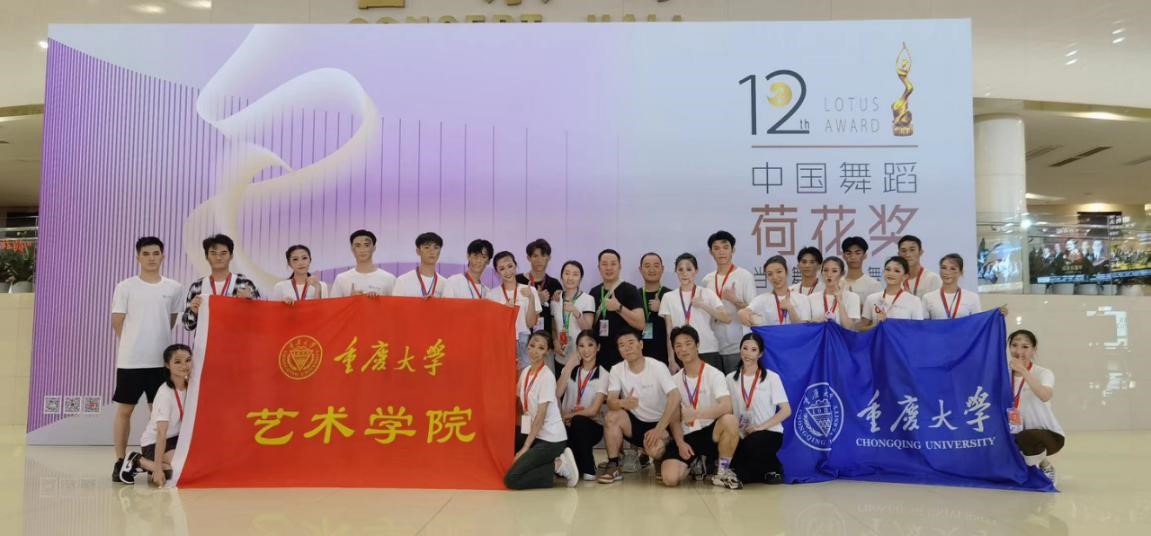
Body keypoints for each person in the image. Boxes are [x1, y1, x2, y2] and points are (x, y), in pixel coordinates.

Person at [110, 237, 184, 484]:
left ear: (163, 256)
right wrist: (134, 344)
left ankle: (155, 461)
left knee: (158, 413)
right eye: (146, 254)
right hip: (131, 361)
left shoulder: (174, 287)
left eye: (156, 253)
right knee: (125, 410)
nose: (151, 258)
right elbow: (118, 322)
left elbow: (170, 320)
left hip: (160, 362)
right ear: (138, 257)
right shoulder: (125, 287)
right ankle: (120, 460)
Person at [656, 326, 743, 489]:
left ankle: (722, 471)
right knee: (670, 479)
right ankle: (695, 462)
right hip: (687, 436)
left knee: (730, 420)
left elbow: (727, 406)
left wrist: (696, 413)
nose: (683, 349)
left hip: (711, 432)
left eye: (688, 343)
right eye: (678, 345)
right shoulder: (673, 380)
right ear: (674, 350)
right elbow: (674, 419)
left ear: (697, 345)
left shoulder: (714, 374)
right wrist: (680, 443)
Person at [598, 331, 680, 484]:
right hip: (635, 423)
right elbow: (610, 401)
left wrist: (659, 429)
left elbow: (675, 396)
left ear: (641, 344)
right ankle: (614, 465)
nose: (627, 348)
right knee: (611, 416)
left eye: (631, 342)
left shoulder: (657, 366)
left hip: (659, 423)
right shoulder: (616, 369)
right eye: (622, 345)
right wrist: (623, 403)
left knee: (655, 449)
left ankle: (659, 458)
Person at [506, 331, 579, 489]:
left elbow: (540, 415)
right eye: (532, 345)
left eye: (541, 348)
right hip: (535, 434)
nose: (535, 351)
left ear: (547, 352)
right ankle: (545, 463)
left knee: (512, 478)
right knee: (508, 445)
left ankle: (559, 465)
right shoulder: (525, 372)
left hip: (551, 439)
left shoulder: (546, 377)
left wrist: (525, 448)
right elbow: (517, 401)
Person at [728, 333, 790, 485]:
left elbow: (786, 410)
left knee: (751, 444)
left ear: (760, 354)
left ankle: (773, 467)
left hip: (769, 432)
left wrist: (759, 427)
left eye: (753, 350)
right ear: (740, 350)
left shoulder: (771, 377)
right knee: (743, 475)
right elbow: (728, 409)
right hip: (742, 433)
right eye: (745, 348)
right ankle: (765, 471)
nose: (748, 353)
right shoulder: (730, 378)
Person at [1008, 329, 1064, 484]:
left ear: (1033, 350)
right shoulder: (1003, 374)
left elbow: (1045, 395)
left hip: (1046, 435)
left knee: (1027, 437)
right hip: (1013, 431)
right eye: (1014, 345)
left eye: (1025, 347)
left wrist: (1023, 371)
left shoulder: (1043, 373)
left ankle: (1044, 465)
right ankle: (1021, 467)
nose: (1019, 351)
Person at [131, 343, 191, 487]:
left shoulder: (191, 386)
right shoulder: (165, 394)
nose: (184, 365)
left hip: (177, 439)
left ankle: (158, 465)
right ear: (167, 365)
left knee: (195, 464)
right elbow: (161, 433)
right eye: (178, 362)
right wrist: (157, 469)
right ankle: (138, 460)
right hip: (154, 443)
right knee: (179, 470)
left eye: (188, 360)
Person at [658, 253, 729, 374]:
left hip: (707, 349)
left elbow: (726, 318)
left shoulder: (706, 293)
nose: (684, 273)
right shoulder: (668, 297)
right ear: (676, 271)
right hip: (682, 351)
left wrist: (703, 305)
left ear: (696, 271)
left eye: (689, 269)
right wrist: (671, 359)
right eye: (680, 269)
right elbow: (669, 332)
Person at [701, 231, 757, 375]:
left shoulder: (744, 276)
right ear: (711, 252)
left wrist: (734, 300)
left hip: (737, 345)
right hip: (712, 345)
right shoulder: (707, 280)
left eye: (725, 247)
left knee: (737, 385)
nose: (721, 252)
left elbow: (753, 313)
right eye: (716, 248)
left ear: (733, 250)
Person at [556, 330, 609, 481]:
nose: (586, 350)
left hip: (591, 425)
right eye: (581, 346)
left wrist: (570, 416)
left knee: (579, 421)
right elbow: (557, 394)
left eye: (590, 345)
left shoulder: (603, 374)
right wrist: (568, 367)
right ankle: (574, 464)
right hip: (567, 425)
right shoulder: (571, 369)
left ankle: (589, 467)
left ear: (598, 347)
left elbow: (594, 410)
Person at [181, 234, 260, 331]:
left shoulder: (244, 284)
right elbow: (187, 326)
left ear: (231, 256)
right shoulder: (197, 286)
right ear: (206, 256)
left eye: (223, 253)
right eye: (213, 253)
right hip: (206, 340)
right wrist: (193, 312)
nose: (218, 257)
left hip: (236, 339)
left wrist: (250, 302)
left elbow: (260, 317)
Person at [589, 250, 646, 372]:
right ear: (599, 268)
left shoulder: (630, 289)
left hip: (624, 354)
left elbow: (641, 323)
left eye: (613, 264)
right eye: (604, 264)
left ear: (620, 266)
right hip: (599, 354)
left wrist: (619, 307)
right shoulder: (594, 292)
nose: (609, 268)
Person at [487, 251, 542, 371]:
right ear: (496, 272)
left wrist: (531, 298)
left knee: (524, 378)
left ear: (516, 266)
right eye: (502, 268)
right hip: (502, 343)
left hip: (524, 342)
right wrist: (503, 312)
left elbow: (531, 323)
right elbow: (491, 327)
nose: (507, 271)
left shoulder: (530, 290)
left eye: (510, 266)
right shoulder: (491, 295)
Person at [739, 256, 812, 327]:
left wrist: (790, 308)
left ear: (786, 272)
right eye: (770, 274)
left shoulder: (802, 299)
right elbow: (746, 311)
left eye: (779, 272)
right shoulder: (761, 299)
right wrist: (741, 312)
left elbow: (804, 328)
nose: (775, 277)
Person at [859, 256, 925, 330]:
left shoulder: (914, 301)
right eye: (888, 269)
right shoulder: (871, 298)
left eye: (896, 271)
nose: (891, 273)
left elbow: (918, 330)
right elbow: (861, 329)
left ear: (905, 276)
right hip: (878, 338)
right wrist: (875, 326)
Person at [552, 261, 595, 369]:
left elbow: (587, 329)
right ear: (561, 276)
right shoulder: (555, 300)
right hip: (560, 355)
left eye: (575, 274)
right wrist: (555, 342)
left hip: (580, 356)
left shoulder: (588, 299)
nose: (570, 278)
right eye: (567, 273)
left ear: (580, 278)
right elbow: (554, 327)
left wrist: (575, 311)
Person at [330, 229, 396, 297]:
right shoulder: (341, 279)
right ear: (352, 249)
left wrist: (379, 300)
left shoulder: (388, 279)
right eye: (358, 246)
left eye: (366, 245)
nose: (362, 250)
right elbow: (333, 303)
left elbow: (396, 303)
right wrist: (350, 299)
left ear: (374, 248)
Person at [517, 239, 564, 334]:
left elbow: (557, 316)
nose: (539, 260)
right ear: (528, 258)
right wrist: (537, 300)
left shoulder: (555, 284)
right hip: (523, 335)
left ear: (549, 258)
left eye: (543, 255)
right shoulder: (517, 281)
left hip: (547, 337)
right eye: (535, 256)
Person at [923, 254, 983, 320]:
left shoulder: (972, 298)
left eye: (952, 269)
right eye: (944, 268)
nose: (947, 272)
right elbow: (924, 325)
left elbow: (978, 323)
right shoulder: (928, 298)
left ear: (961, 272)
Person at [638, 252, 673, 365]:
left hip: (666, 354)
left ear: (662, 269)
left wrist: (661, 309)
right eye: (647, 266)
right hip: (640, 355)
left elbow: (679, 323)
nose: (652, 269)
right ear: (640, 269)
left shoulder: (671, 295)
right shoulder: (634, 295)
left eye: (656, 266)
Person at [809, 256, 860, 330]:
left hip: (842, 337)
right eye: (825, 270)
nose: (829, 275)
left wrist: (839, 300)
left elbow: (848, 327)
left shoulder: (853, 297)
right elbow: (807, 327)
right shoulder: (812, 298)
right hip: (820, 336)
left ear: (842, 274)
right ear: (821, 273)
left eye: (834, 271)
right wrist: (815, 321)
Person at [393, 232, 445, 298]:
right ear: (418, 251)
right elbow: (396, 304)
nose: (432, 251)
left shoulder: (445, 283)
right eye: (427, 247)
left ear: (439, 252)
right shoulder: (402, 281)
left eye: (436, 247)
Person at [842, 236, 883, 312]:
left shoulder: (874, 285)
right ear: (843, 256)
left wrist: (855, 303)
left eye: (857, 253)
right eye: (848, 253)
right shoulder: (837, 283)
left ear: (865, 255)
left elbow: (878, 312)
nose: (853, 257)